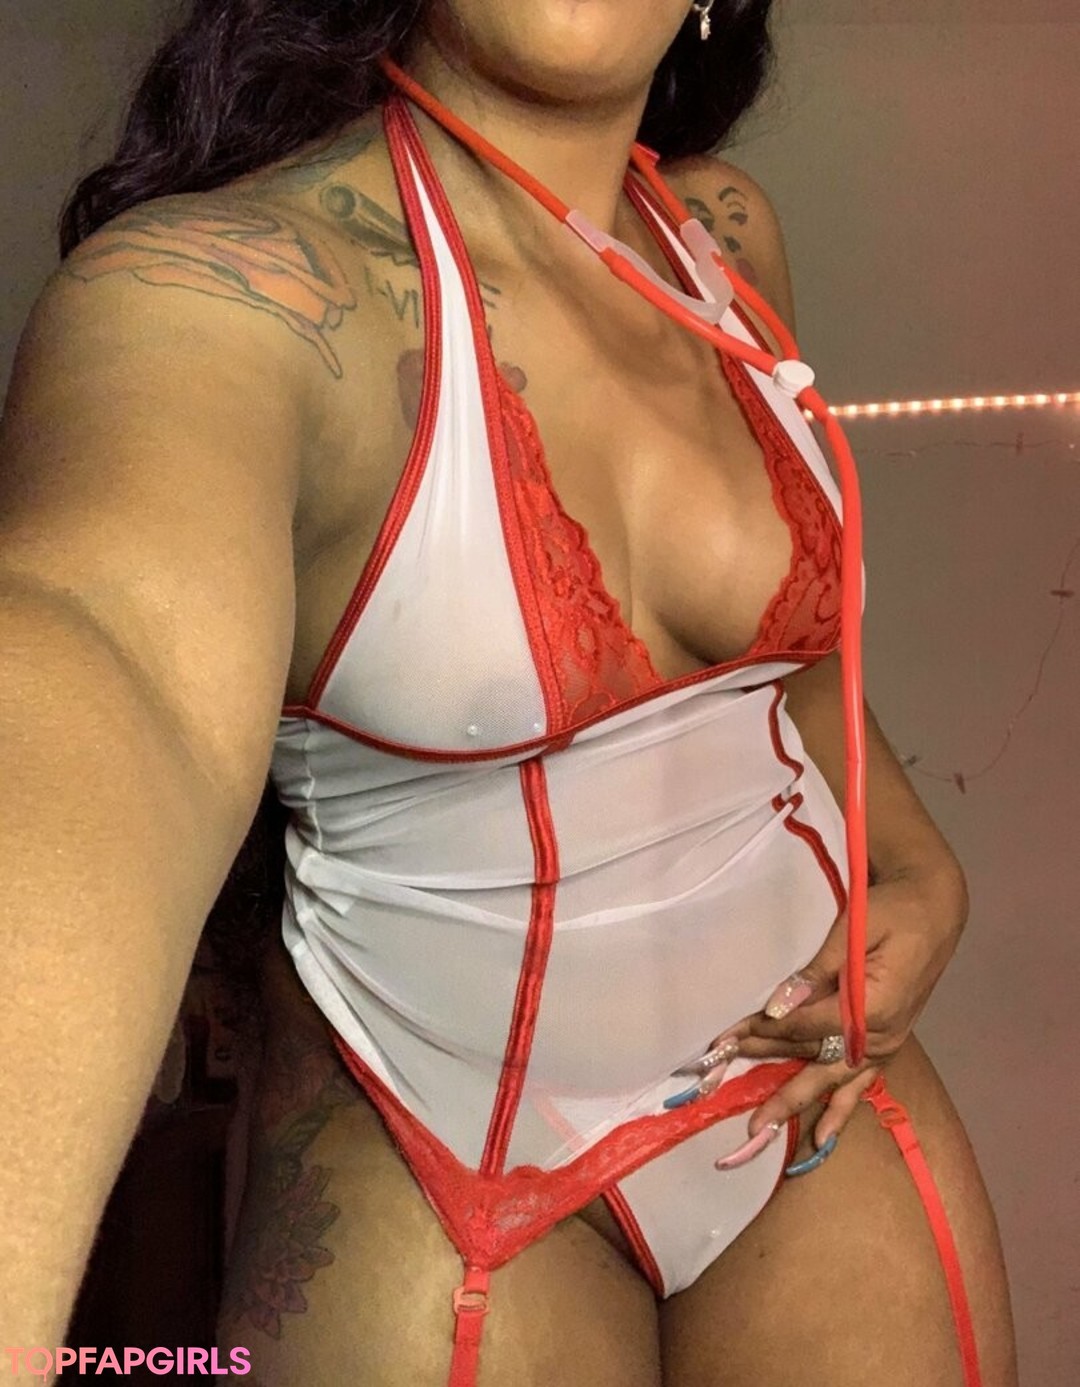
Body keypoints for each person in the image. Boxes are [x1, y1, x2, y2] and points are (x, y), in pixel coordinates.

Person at [0, 2, 1018, 1384]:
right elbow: (104, 657)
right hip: (440, 1159)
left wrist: (910, 858)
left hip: (819, 1113)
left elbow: (788, 654)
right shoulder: (219, 296)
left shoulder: (723, 233)